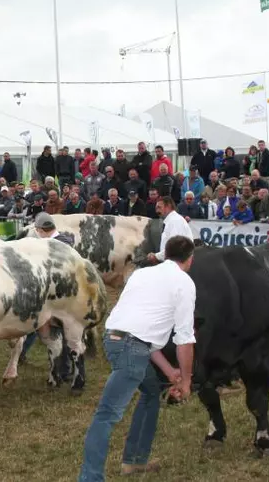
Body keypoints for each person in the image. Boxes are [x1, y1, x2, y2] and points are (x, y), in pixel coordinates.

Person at [79, 236, 196, 481]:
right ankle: (90, 478)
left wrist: (168, 372)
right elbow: (184, 339)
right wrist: (185, 382)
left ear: (166, 253)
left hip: (115, 339)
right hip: (132, 348)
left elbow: (142, 332)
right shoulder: (184, 283)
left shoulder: (142, 274)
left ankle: (135, 461)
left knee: (151, 390)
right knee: (106, 415)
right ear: (190, 259)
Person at [18, 213, 75, 369]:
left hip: (56, 293)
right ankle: (21, 353)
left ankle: (65, 366)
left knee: (59, 330)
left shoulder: (55, 243)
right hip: (52, 292)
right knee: (35, 323)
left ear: (40, 229)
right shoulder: (65, 239)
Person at [146, 197, 193, 265]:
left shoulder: (175, 221)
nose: (157, 211)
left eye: (159, 207)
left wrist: (156, 256)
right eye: (156, 208)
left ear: (168, 207)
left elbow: (174, 248)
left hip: (178, 264)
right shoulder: (172, 221)